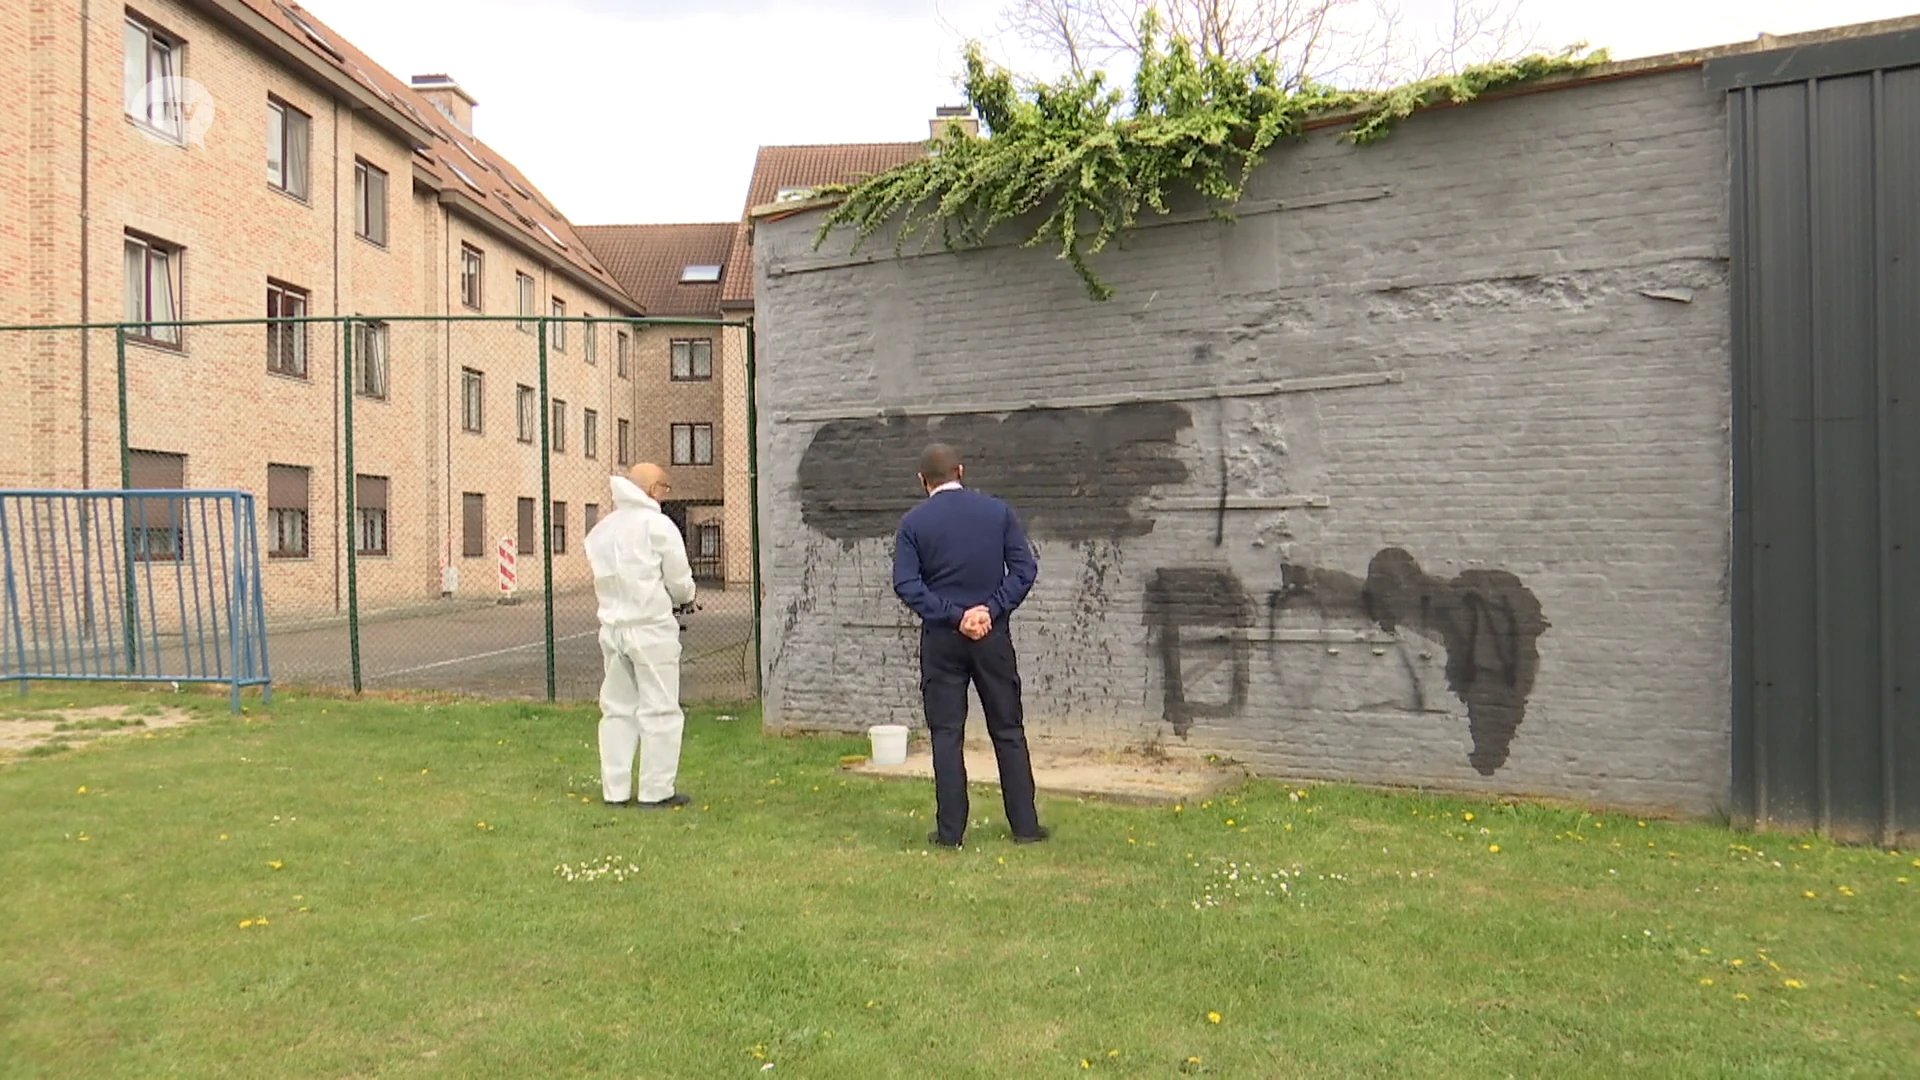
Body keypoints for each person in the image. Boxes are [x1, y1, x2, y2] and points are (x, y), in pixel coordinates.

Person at [891, 443, 1047, 847]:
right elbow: (1025, 569)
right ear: (961, 470)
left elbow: (906, 583)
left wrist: (954, 615)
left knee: (947, 734)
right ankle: (1025, 827)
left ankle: (950, 832)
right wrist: (989, 610)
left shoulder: (913, 523)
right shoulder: (997, 512)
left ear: (922, 480)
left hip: (943, 640)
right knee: (1008, 729)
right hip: (992, 637)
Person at [585, 463, 696, 808]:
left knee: (617, 710)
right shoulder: (658, 526)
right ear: (652, 489)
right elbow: (678, 580)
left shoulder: (602, 530)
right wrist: (686, 598)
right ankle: (656, 790)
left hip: (612, 629)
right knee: (660, 710)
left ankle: (614, 790)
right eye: (665, 486)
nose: (666, 493)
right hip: (650, 628)